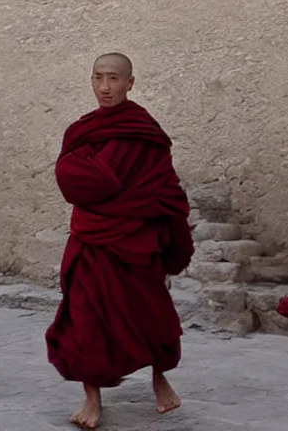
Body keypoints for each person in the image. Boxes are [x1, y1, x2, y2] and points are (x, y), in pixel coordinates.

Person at [45, 53, 195, 429]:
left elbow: (164, 187)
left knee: (150, 314)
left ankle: (159, 378)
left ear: (130, 83)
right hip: (91, 238)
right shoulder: (81, 130)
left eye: (113, 78)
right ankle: (91, 398)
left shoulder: (145, 132)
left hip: (135, 238)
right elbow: (70, 178)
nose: (105, 87)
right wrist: (101, 184)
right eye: (98, 78)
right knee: (85, 316)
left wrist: (112, 191)